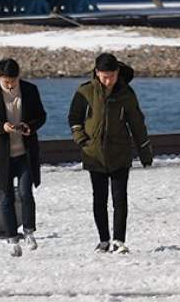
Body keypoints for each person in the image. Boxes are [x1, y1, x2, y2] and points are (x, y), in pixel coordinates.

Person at [68, 52, 153, 254]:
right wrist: (81, 140)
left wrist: (144, 151)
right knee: (99, 199)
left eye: (112, 76)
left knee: (119, 198)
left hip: (120, 153)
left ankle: (119, 240)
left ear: (117, 73)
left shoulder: (127, 94)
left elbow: (137, 124)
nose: (108, 80)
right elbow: (74, 117)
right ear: (97, 73)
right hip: (94, 154)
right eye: (104, 76)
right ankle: (104, 240)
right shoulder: (85, 91)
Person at [0, 58, 47, 257]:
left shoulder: (30, 90)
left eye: (13, 81)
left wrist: (29, 126)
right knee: (6, 197)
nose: (10, 85)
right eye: (6, 81)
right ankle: (12, 238)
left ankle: (29, 231)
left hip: (25, 152)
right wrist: (2, 127)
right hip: (4, 155)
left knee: (26, 193)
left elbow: (42, 116)